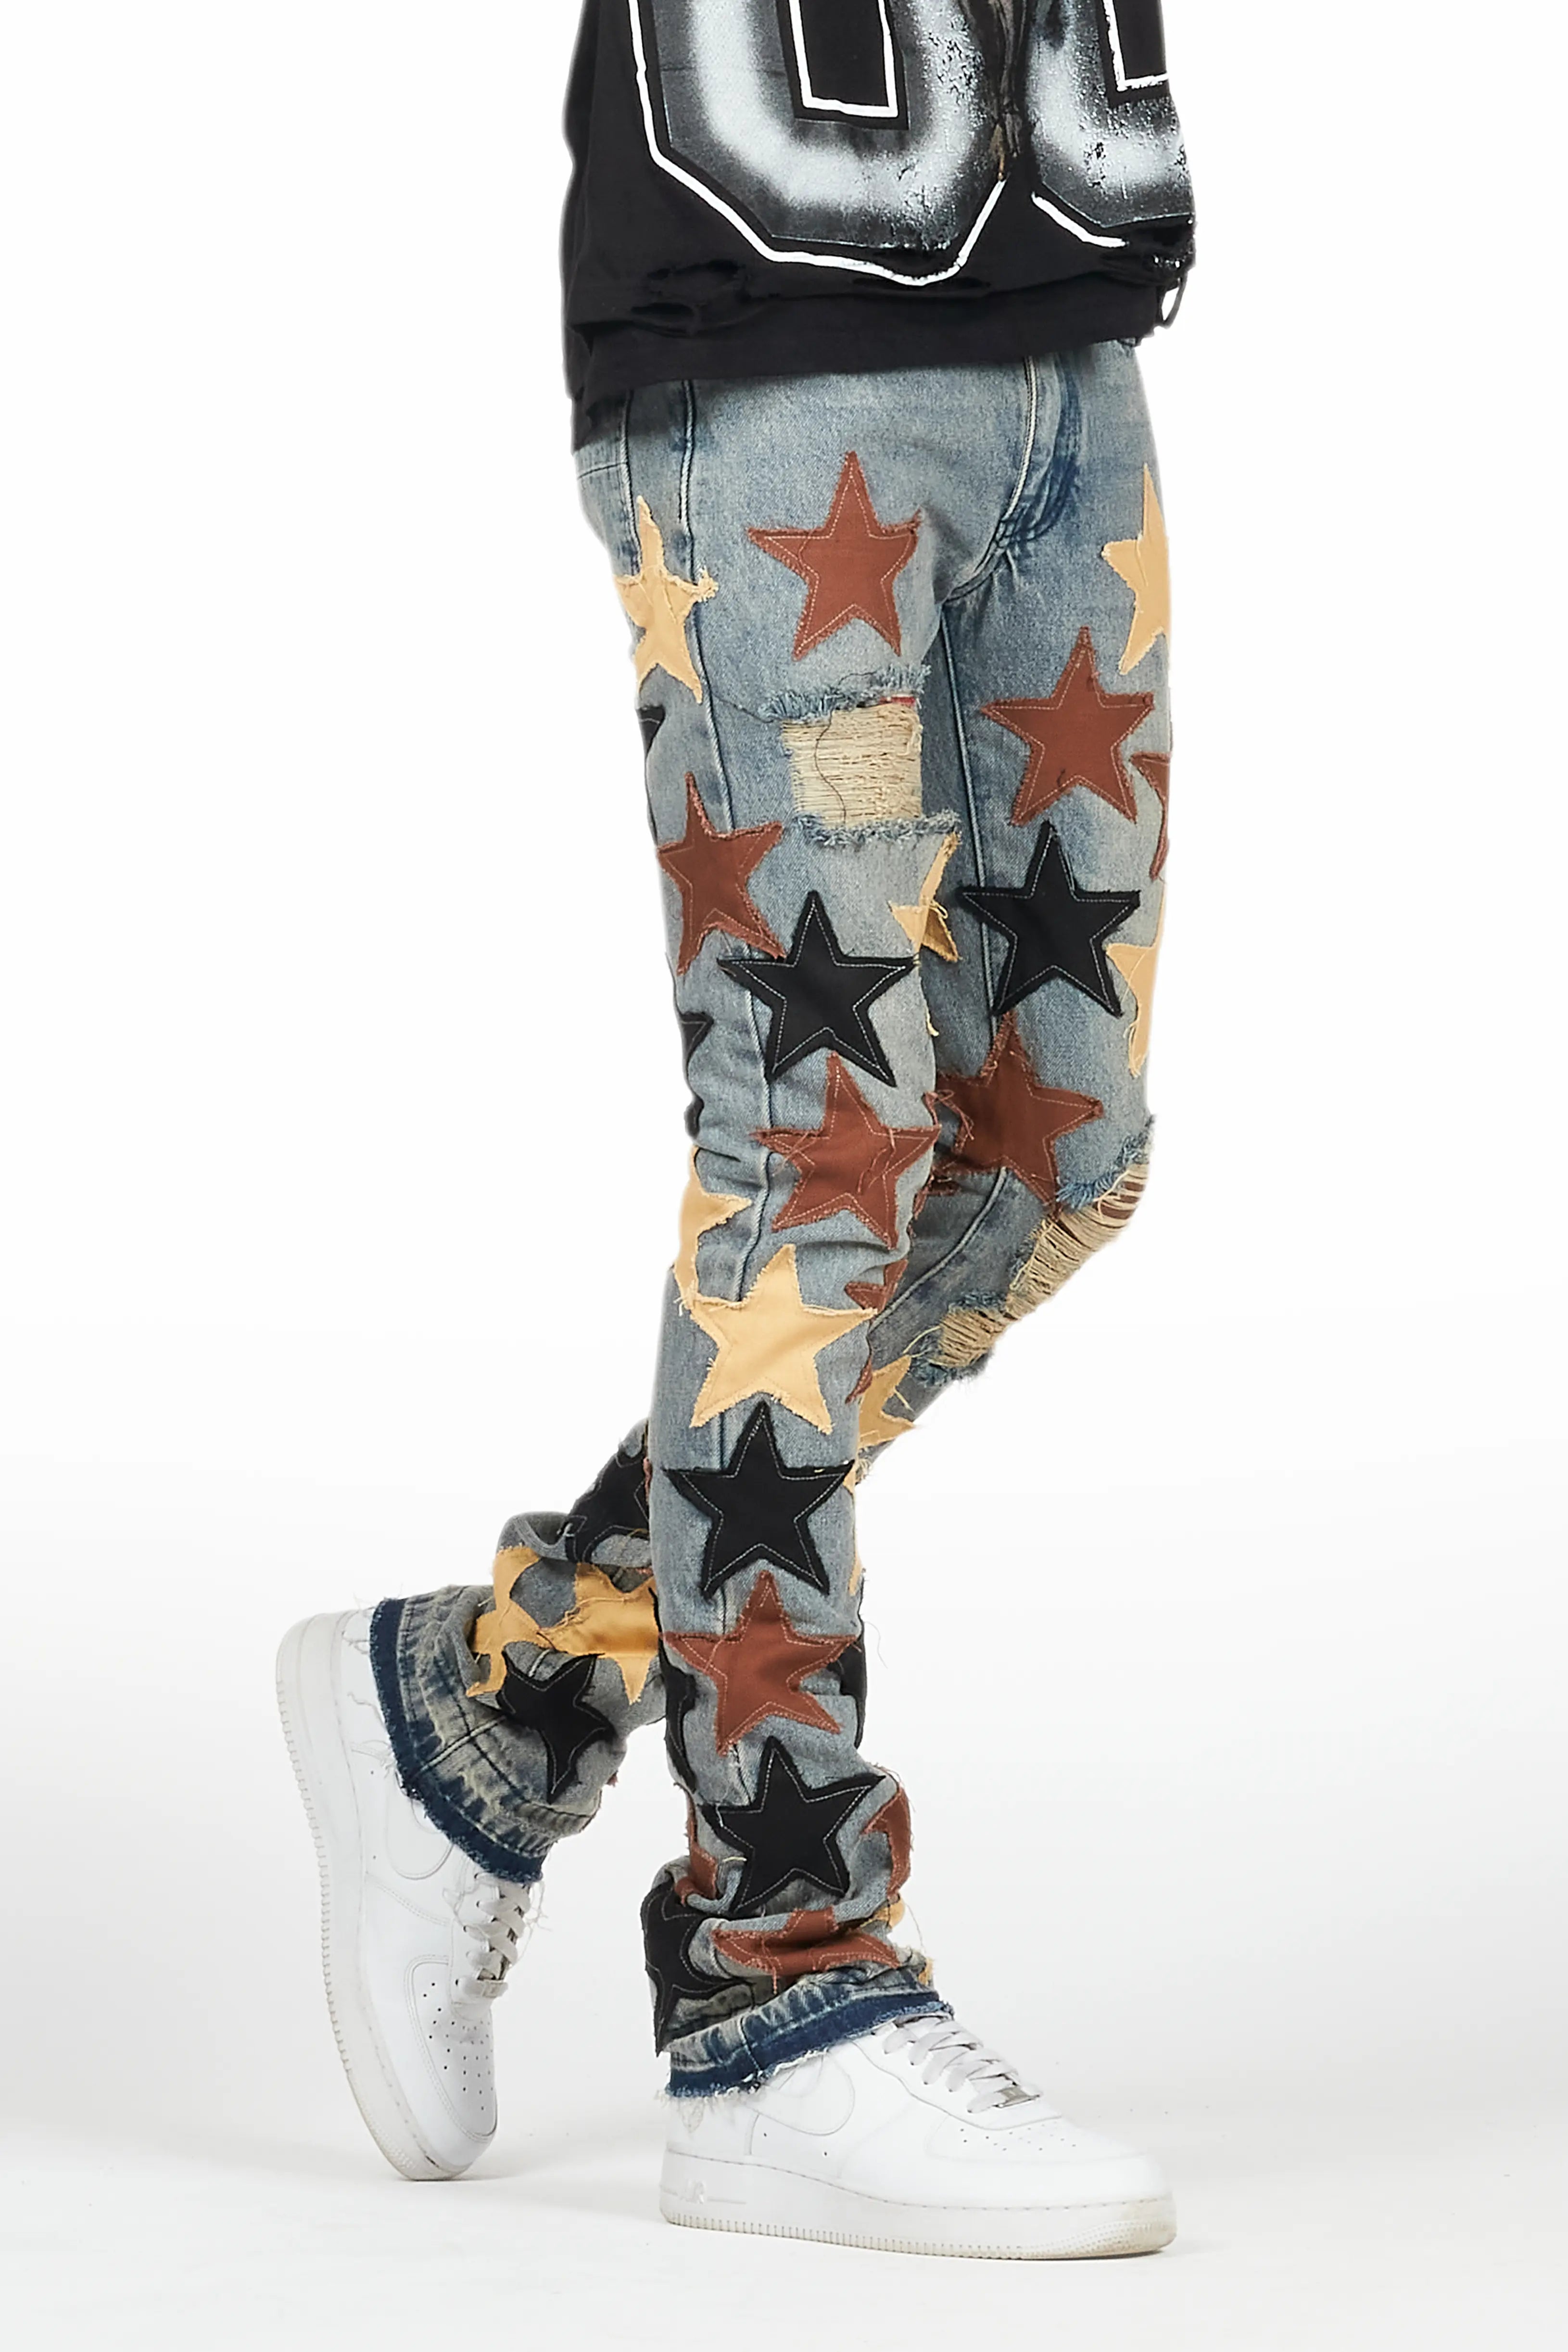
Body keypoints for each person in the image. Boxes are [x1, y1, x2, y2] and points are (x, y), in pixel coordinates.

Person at [277, 0, 1192, 2260]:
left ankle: (498, 1688)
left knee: (1047, 1156)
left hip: (1065, 303)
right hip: (774, 327)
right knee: (817, 1164)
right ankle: (778, 1973)